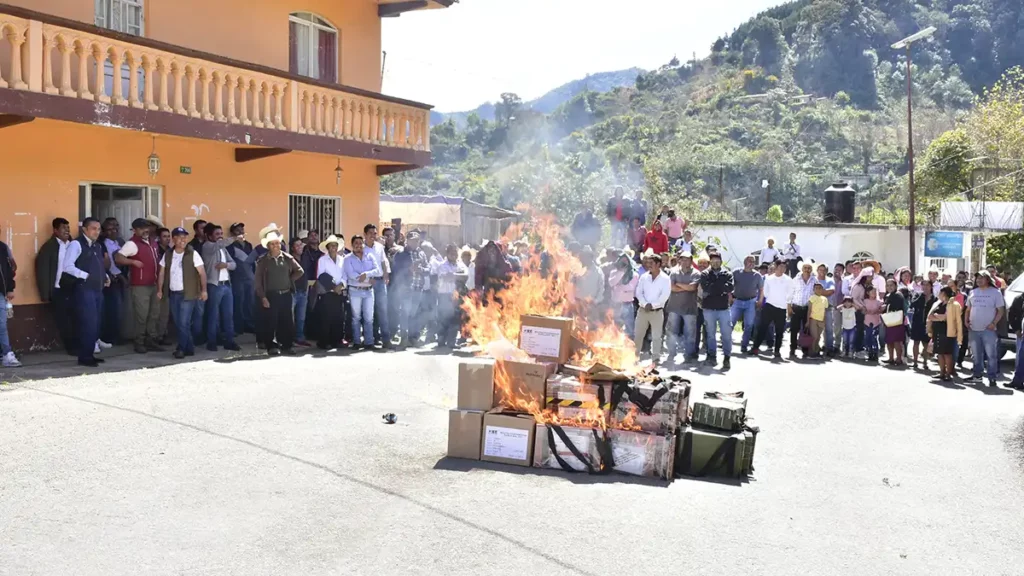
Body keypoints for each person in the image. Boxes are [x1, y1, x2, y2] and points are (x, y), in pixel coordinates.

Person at [63, 217, 110, 367]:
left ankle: (89, 353)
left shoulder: (97, 246)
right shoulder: (76, 244)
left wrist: (105, 276)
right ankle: (84, 357)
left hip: (97, 289)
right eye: (93, 228)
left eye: (98, 229)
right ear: (85, 229)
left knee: (96, 323)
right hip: (84, 289)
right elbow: (67, 266)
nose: (97, 231)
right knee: (87, 323)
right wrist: (85, 276)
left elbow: (99, 265)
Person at [115, 217, 165, 354]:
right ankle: (139, 342)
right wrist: (132, 262)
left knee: (154, 314)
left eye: (146, 228)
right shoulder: (132, 244)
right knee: (142, 315)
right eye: (142, 228)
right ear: (135, 230)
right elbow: (118, 257)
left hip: (154, 284)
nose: (145, 230)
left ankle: (150, 340)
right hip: (140, 285)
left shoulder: (153, 242)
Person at [156, 227, 207, 359]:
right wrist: (160, 289)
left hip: (188, 294)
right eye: (179, 237)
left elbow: (202, 273)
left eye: (184, 237)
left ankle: (181, 348)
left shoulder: (192, 253)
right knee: (179, 323)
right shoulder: (168, 254)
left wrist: (204, 290)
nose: (183, 239)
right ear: (173, 239)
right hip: (174, 293)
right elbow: (162, 272)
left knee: (184, 322)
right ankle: (189, 348)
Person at [254, 226, 305, 356]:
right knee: (270, 321)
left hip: (286, 294)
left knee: (287, 321)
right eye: (273, 244)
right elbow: (258, 281)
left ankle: (286, 346)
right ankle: (271, 346)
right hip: (270, 295)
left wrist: (289, 280)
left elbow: (299, 271)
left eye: (277, 243)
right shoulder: (263, 261)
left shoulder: (287, 258)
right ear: (268, 246)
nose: (276, 245)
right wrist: (263, 297)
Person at [36, 217, 75, 355]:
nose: (67, 231)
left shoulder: (73, 245)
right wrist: (45, 294)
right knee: (64, 321)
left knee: (77, 317)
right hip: (59, 290)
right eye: (63, 228)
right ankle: (71, 347)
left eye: (68, 228)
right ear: (55, 230)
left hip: (74, 289)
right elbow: (42, 271)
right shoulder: (49, 247)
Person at [200, 223, 241, 352]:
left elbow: (234, 264)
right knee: (213, 315)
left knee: (228, 315)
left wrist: (226, 265)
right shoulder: (207, 246)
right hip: (214, 285)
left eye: (221, 234)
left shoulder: (223, 249)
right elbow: (218, 245)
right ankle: (211, 342)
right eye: (217, 234)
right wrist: (234, 238)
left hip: (226, 285)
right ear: (209, 236)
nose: (220, 237)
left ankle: (229, 341)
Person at [965, 271, 1004, 387]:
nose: (978, 280)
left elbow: (1000, 311)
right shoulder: (973, 292)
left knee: (991, 355)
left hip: (989, 330)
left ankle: (992, 377)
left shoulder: (995, 293)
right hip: (974, 329)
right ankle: (977, 376)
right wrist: (966, 321)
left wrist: (994, 323)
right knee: (976, 355)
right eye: (977, 278)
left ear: (987, 279)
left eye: (981, 278)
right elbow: (968, 309)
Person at [343, 235, 381, 350]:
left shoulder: (370, 256)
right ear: (352, 245)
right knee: (356, 317)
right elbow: (352, 275)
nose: (358, 245)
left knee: (369, 318)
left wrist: (366, 274)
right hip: (355, 291)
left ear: (363, 244)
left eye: (360, 243)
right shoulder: (347, 258)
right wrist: (369, 279)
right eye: (356, 243)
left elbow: (378, 270)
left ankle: (369, 342)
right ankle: (357, 341)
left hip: (369, 291)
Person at [633, 253, 670, 366]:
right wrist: (645, 304)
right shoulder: (644, 277)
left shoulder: (665, 279)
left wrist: (652, 305)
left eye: (651, 263)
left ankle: (655, 359)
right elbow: (639, 292)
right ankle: (634, 357)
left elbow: (664, 296)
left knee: (656, 336)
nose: (648, 265)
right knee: (638, 335)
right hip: (643, 310)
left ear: (658, 264)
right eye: (647, 262)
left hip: (657, 312)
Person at [749, 259, 790, 360]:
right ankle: (755, 348)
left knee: (779, 331)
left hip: (781, 308)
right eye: (780, 266)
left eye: (784, 267)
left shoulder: (788, 280)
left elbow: (790, 294)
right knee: (763, 327)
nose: (782, 269)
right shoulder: (769, 279)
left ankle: (777, 351)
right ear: (776, 266)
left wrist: (788, 306)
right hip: (769, 306)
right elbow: (765, 293)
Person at [700, 252, 734, 369]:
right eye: (713, 261)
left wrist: (714, 287)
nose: (715, 263)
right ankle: (711, 356)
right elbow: (706, 288)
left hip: (724, 308)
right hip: (709, 308)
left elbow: (730, 288)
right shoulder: (705, 274)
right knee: (710, 334)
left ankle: (727, 357)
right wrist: (720, 287)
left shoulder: (728, 273)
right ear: (710, 262)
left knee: (726, 334)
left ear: (721, 261)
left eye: (717, 261)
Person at [314, 234, 347, 350]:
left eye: (335, 246)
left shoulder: (343, 260)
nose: (333, 248)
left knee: (338, 317)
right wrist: (334, 287)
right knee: (326, 318)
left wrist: (341, 285)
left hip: (340, 292)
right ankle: (324, 342)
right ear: (327, 248)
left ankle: (337, 340)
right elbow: (321, 276)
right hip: (327, 292)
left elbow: (345, 275)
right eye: (331, 246)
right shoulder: (322, 260)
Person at [665, 252, 699, 364]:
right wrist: (686, 287)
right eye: (683, 259)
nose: (685, 262)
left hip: (689, 308)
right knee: (671, 332)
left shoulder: (696, 273)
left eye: (687, 259)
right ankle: (671, 353)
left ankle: (688, 355)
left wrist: (678, 284)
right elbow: (672, 288)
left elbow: (693, 287)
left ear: (691, 260)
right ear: (680, 260)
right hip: (674, 307)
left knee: (690, 333)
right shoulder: (673, 272)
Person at [434, 244, 469, 349]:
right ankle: (441, 341)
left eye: (455, 252)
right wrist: (457, 276)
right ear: (447, 253)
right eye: (452, 252)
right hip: (444, 295)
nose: (454, 254)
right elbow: (446, 278)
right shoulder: (442, 265)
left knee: (455, 319)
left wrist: (452, 276)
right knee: (443, 318)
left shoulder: (461, 265)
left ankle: (451, 342)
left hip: (456, 295)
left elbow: (465, 277)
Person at [227, 223, 258, 337]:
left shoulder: (248, 245)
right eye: (237, 230)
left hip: (249, 277)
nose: (240, 232)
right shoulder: (230, 245)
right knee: (238, 302)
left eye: (242, 229)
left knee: (249, 302)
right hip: (237, 278)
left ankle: (249, 325)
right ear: (232, 233)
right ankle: (238, 327)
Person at [364, 224, 392, 348]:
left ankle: (386, 339)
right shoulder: (362, 248)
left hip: (380, 282)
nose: (373, 235)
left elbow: (383, 261)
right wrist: (368, 279)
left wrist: (386, 275)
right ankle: (373, 338)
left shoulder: (380, 247)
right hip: (368, 283)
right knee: (370, 312)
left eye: (375, 233)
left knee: (383, 311)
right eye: (370, 233)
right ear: (365, 234)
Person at [928, 287, 962, 382]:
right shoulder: (938, 303)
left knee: (947, 353)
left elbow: (946, 317)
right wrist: (938, 317)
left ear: (944, 293)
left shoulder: (954, 305)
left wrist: (938, 317)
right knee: (940, 353)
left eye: (940, 292)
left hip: (947, 331)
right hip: (937, 330)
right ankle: (942, 372)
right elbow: (930, 316)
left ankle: (948, 373)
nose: (939, 294)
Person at [99, 217, 124, 348]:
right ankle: (109, 337)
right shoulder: (103, 243)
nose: (114, 230)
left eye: (116, 227)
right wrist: (119, 276)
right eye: (110, 228)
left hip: (120, 279)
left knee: (120, 310)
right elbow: (108, 264)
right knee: (113, 310)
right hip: (110, 280)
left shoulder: (120, 242)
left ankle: (117, 335)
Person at [731, 256, 762, 354]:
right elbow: (729, 285)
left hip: (751, 302)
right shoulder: (736, 272)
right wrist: (729, 297)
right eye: (750, 261)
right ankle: (725, 342)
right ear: (744, 262)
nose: (752, 263)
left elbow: (761, 289)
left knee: (749, 325)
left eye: (753, 262)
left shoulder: (757, 275)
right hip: (737, 301)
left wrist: (760, 300)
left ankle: (744, 345)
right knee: (730, 323)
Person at [608, 252, 640, 339]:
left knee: (629, 329)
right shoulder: (614, 272)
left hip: (627, 304)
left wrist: (618, 287)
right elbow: (612, 283)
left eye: (626, 261)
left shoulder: (634, 274)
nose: (624, 263)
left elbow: (630, 287)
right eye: (622, 261)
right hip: (616, 304)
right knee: (615, 327)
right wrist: (621, 272)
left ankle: (630, 347)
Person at [789, 261, 816, 358]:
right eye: (805, 267)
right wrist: (789, 307)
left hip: (807, 308)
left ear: (811, 269)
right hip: (796, 307)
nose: (807, 270)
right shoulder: (796, 279)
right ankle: (792, 348)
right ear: (802, 269)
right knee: (794, 329)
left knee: (806, 328)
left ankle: (805, 350)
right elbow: (790, 293)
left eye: (809, 268)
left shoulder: (814, 280)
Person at [289, 238, 311, 346]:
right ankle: (289, 339)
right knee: (290, 318)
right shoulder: (289, 260)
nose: (300, 247)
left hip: (303, 291)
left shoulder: (304, 258)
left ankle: (300, 338)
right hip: (293, 291)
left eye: (300, 245)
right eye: (297, 245)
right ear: (292, 248)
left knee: (301, 317)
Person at [910, 280, 935, 370]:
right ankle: (915, 362)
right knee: (916, 342)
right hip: (917, 322)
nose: (925, 287)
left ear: (931, 286)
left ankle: (925, 362)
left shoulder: (934, 298)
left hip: (927, 323)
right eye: (923, 285)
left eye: (927, 285)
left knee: (926, 344)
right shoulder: (917, 295)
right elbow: (912, 304)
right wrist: (921, 296)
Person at [882, 278, 907, 366]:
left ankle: (899, 359)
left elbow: (897, 307)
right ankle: (891, 358)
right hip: (889, 321)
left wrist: (886, 306)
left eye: (891, 285)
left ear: (895, 286)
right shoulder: (888, 295)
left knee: (897, 341)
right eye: (887, 285)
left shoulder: (898, 295)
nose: (889, 287)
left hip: (897, 321)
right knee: (889, 341)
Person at [814, 264, 836, 355]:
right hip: (815, 308)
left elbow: (830, 291)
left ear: (827, 271)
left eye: (824, 270)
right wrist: (823, 292)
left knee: (829, 329)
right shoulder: (814, 279)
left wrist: (817, 292)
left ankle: (829, 347)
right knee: (815, 329)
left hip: (827, 307)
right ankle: (815, 347)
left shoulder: (830, 280)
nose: (822, 272)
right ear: (817, 270)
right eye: (820, 270)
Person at [1007, 288, 1024, 390]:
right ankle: (1017, 381)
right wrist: (1016, 329)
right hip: (1021, 334)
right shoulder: (1019, 299)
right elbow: (1012, 314)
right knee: (1020, 359)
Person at [807, 282, 828, 358]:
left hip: (821, 320)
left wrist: (824, 320)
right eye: (816, 288)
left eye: (820, 288)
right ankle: (811, 352)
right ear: (813, 289)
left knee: (818, 337)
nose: (818, 290)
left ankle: (816, 351)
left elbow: (825, 311)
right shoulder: (812, 298)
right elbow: (809, 310)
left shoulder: (824, 299)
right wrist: (807, 321)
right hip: (813, 319)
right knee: (814, 336)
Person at [829, 263, 846, 355]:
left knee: (838, 328)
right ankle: (828, 344)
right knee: (828, 328)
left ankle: (837, 345)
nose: (837, 271)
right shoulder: (829, 281)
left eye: (839, 270)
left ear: (843, 272)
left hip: (840, 308)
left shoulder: (844, 282)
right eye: (836, 269)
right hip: (829, 307)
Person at [863, 286, 882, 363]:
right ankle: (870, 353)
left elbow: (882, 308)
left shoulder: (878, 301)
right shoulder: (865, 301)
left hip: (876, 322)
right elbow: (862, 310)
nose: (874, 293)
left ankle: (875, 353)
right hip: (867, 322)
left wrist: (877, 310)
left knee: (874, 337)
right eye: (872, 291)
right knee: (868, 338)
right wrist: (867, 311)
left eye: (875, 291)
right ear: (868, 293)